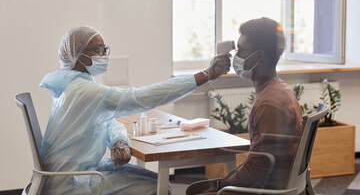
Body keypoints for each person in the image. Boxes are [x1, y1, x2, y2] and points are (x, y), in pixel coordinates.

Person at [39, 25, 231, 195]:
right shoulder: (83, 90)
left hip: (74, 174)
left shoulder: (72, 84)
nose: (104, 55)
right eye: (98, 50)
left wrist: (119, 140)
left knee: (157, 181)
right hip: (70, 184)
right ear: (78, 55)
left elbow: (105, 120)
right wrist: (205, 75)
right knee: (159, 187)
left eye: (105, 49)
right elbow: (140, 98)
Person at [186, 17, 303, 194]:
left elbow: (258, 168)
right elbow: (259, 160)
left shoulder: (269, 103)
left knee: (196, 192)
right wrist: (222, 182)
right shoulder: (277, 89)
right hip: (270, 181)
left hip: (266, 189)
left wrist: (220, 186)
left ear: (259, 57)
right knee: (196, 188)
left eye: (241, 51)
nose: (235, 57)